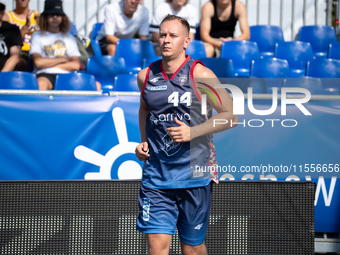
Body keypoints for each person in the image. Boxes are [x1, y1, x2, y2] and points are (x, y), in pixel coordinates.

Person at [135, 14, 237, 255]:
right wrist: (143, 142)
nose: (166, 40)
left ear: (187, 41)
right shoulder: (145, 76)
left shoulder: (200, 74)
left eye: (173, 36)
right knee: (157, 245)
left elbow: (231, 116)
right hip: (157, 176)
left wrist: (193, 132)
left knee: (192, 248)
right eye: (162, 35)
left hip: (195, 175)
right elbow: (144, 109)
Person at [29, 0, 81, 90]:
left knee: (95, 85)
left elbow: (76, 65)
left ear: (63, 17)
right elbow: (38, 62)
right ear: (45, 17)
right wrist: (64, 59)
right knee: (41, 83)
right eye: (51, 14)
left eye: (58, 14)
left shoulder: (69, 37)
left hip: (66, 75)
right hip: (44, 74)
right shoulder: (37, 35)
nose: (55, 17)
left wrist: (49, 63)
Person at [2, 0, 40, 71]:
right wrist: (26, 26)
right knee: (21, 63)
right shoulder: (7, 17)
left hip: (36, 51)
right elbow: (11, 42)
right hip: (19, 51)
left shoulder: (38, 16)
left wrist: (42, 25)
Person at [0, 3, 22, 72]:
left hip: (5, 74)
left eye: (0, 9)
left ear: (4, 11)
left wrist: (1, 76)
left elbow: (14, 56)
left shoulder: (12, 29)